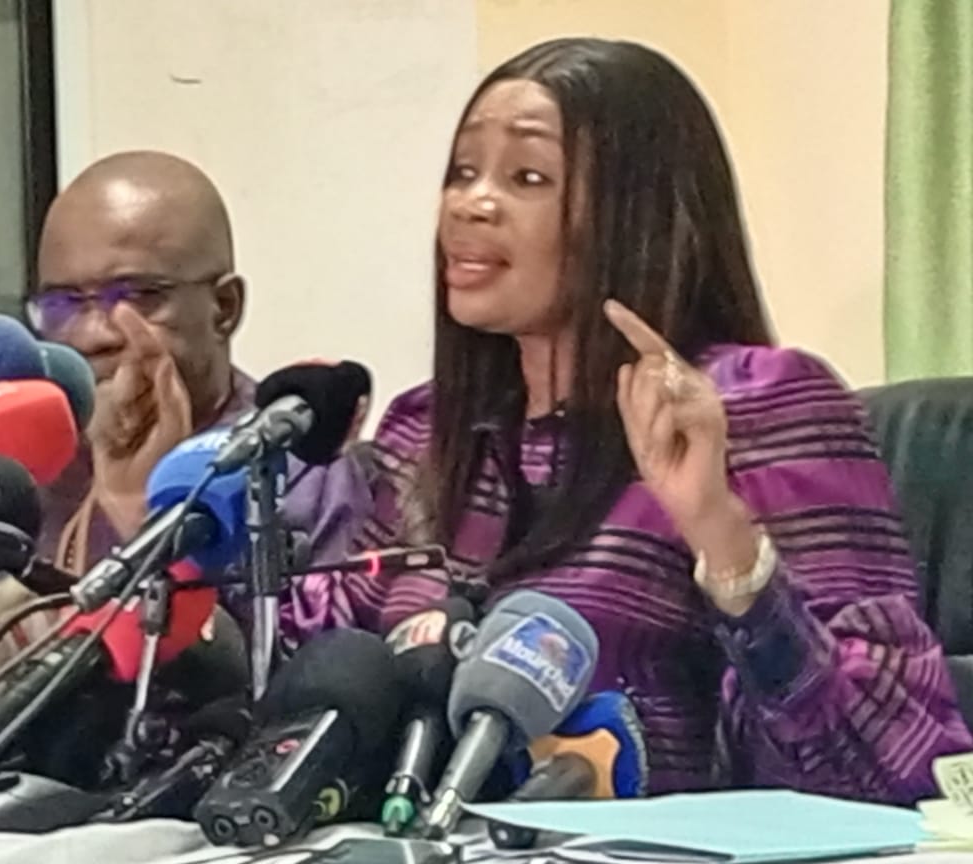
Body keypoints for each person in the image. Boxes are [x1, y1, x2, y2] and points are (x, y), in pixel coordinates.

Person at [281, 38, 972, 802]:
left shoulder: (756, 406)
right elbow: (320, 670)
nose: (470, 204)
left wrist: (722, 535)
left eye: (527, 177)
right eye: (463, 172)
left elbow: (896, 761)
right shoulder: (427, 430)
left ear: (635, 213)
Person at [26, 151, 367, 575]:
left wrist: (139, 511)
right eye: (63, 303)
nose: (93, 335)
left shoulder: (302, 471)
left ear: (224, 308)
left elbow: (310, 618)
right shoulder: (30, 471)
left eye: (137, 295)